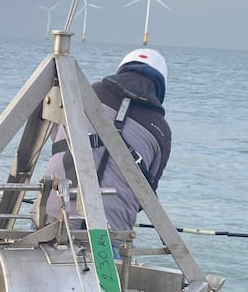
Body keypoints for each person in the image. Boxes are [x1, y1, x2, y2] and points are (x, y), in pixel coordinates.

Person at [44, 47, 171, 247]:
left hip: (50, 219)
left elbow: (57, 140)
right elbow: (146, 195)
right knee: (107, 271)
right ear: (160, 85)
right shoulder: (160, 130)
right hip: (109, 236)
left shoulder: (84, 94)